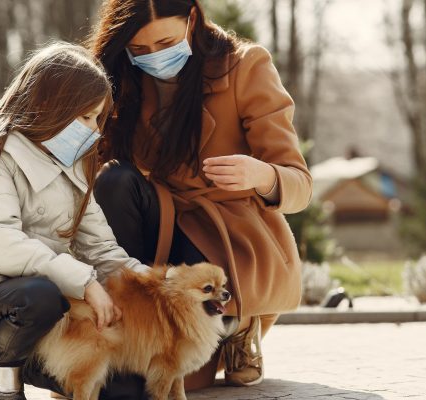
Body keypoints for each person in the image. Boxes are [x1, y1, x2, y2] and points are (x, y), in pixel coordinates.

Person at [88, 0, 313, 391]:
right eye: (140, 50)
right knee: (114, 182)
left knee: (175, 378)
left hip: (225, 235)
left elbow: (300, 184)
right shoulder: (121, 76)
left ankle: (240, 324)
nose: (154, 57)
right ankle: (124, 327)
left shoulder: (246, 67)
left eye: (166, 42)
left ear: (192, 19)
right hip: (160, 220)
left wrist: (262, 175)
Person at [0, 42, 151, 400]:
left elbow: (102, 249)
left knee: (127, 390)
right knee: (37, 296)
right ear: (49, 104)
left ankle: (41, 366)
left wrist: (156, 288)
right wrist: (86, 283)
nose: (93, 130)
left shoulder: (72, 163)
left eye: (97, 118)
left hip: (53, 313)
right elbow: (4, 247)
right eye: (85, 117)